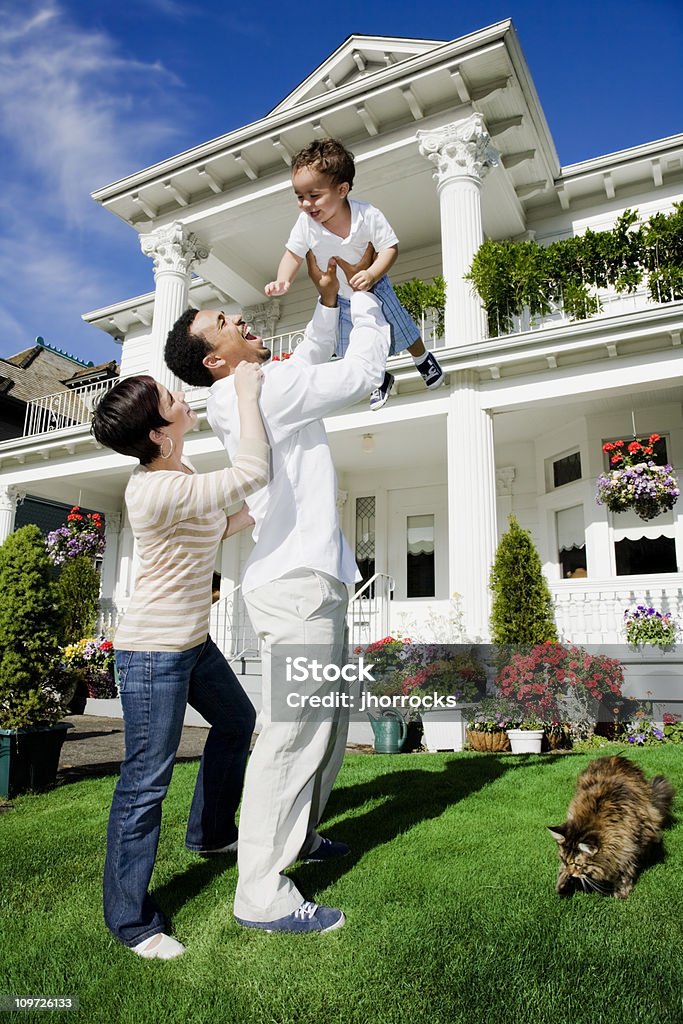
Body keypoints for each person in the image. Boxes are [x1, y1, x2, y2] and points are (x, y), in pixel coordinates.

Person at [164, 254, 391, 934]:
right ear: (214, 360)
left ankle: (300, 839)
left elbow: (312, 359)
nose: (238, 317)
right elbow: (354, 374)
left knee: (325, 729)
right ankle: (260, 892)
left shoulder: (257, 387)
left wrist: (325, 306)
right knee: (291, 737)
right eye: (223, 322)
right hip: (294, 586)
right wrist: (365, 301)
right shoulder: (258, 393)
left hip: (308, 580)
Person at [91, 363, 270, 960]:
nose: (183, 397)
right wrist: (246, 392)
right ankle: (131, 921)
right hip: (152, 652)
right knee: (146, 782)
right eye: (174, 399)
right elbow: (250, 471)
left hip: (192, 642)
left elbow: (215, 524)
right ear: (161, 434)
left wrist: (260, 515)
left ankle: (212, 834)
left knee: (237, 723)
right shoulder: (156, 488)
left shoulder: (182, 474)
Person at [265, 136, 445, 411]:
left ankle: (423, 359)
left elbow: (389, 248)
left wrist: (372, 274)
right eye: (300, 197)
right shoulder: (305, 225)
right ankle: (380, 378)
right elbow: (293, 254)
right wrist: (283, 279)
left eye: (314, 196)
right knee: (351, 345)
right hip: (341, 299)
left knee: (401, 327)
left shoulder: (367, 215)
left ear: (341, 190)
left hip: (374, 286)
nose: (305, 204)